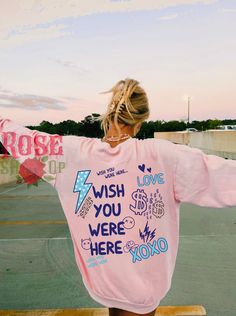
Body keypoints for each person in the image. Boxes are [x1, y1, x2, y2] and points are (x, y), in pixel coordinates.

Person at [0, 78, 236, 316]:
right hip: (144, 284)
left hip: (106, 281)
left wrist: (10, 134)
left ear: (110, 113)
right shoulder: (162, 155)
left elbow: (26, 140)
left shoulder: (73, 153)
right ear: (139, 121)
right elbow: (214, 173)